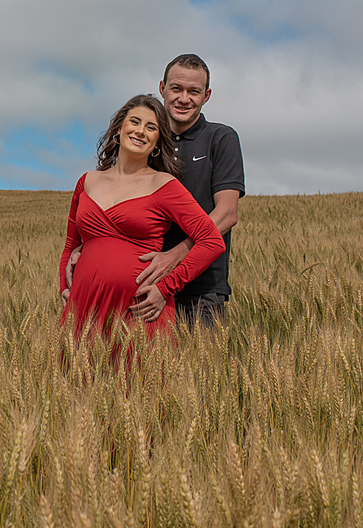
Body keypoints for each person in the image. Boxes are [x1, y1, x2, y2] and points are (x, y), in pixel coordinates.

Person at [68, 54, 244, 328]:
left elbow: (227, 213)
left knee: (198, 371)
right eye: (176, 89)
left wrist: (175, 256)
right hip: (142, 286)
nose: (184, 98)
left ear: (206, 95)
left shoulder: (220, 138)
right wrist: (90, 246)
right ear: (162, 88)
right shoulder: (145, 147)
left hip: (201, 287)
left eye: (193, 92)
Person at [59, 94, 225, 354]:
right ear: (119, 129)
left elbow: (211, 241)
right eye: (134, 122)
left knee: (140, 391)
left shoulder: (165, 185)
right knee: (76, 390)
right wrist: (65, 289)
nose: (140, 131)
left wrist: (165, 287)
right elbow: (71, 244)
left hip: (139, 313)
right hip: (85, 309)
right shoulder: (86, 182)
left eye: (151, 127)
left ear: (158, 142)